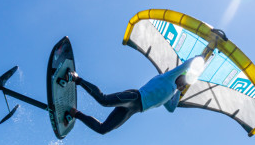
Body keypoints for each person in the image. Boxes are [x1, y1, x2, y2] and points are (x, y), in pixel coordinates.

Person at [66, 57, 204, 135]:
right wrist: (202, 57)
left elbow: (171, 108)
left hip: (134, 109)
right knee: (104, 100)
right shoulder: (169, 77)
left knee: (103, 129)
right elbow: (188, 64)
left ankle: (75, 113)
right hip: (135, 97)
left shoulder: (172, 93)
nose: (184, 84)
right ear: (181, 75)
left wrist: (179, 91)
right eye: (185, 80)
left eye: (186, 84)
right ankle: (76, 78)